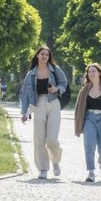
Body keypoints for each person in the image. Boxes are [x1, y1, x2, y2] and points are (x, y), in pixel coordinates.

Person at [19, 45, 68, 178]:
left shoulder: (55, 70)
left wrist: (56, 89)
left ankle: (55, 161)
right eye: (42, 54)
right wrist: (24, 112)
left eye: (47, 54)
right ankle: (43, 169)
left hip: (53, 103)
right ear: (37, 56)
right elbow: (24, 95)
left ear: (49, 57)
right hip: (38, 104)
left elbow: (64, 83)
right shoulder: (30, 74)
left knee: (52, 138)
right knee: (39, 138)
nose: (44, 56)